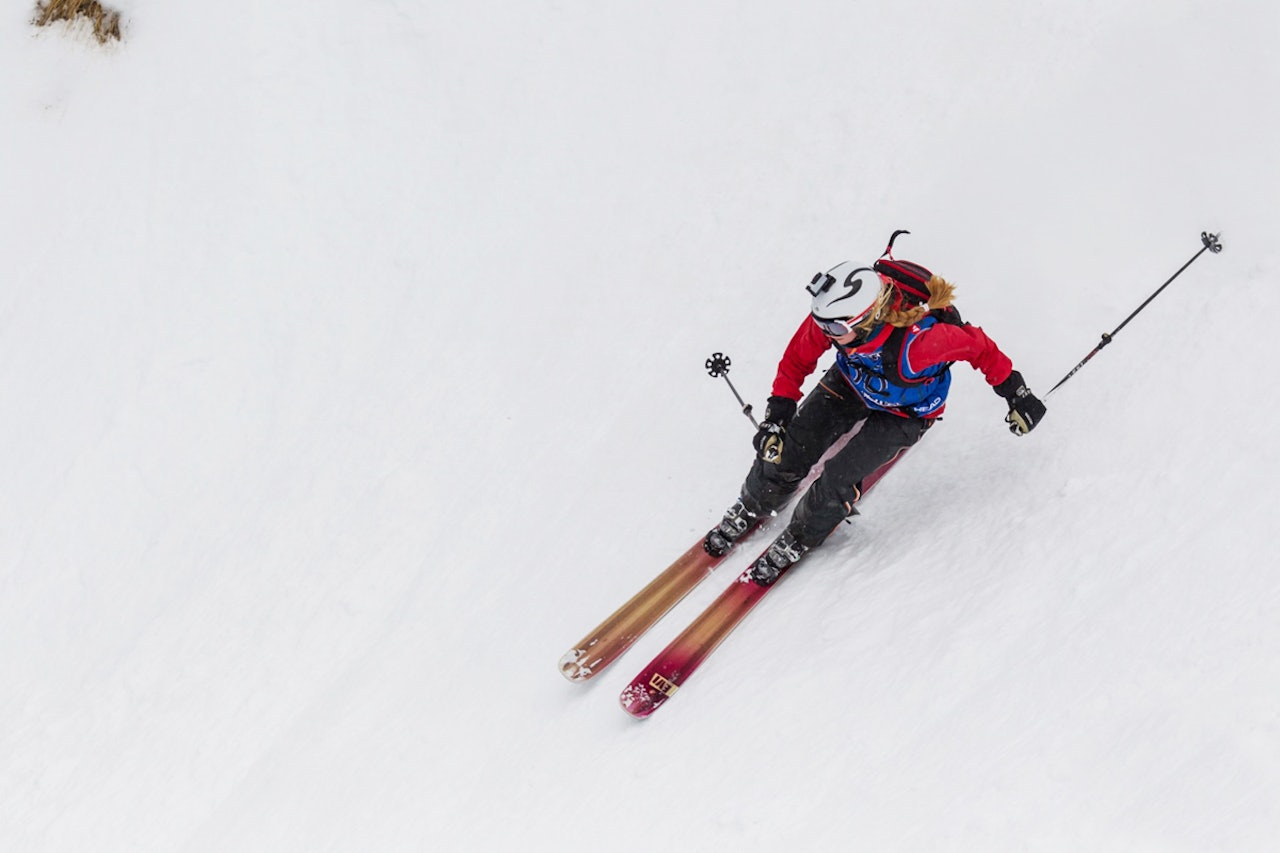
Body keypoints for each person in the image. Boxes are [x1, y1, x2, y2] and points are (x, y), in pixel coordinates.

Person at [704, 235, 1047, 586]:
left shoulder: (921, 346)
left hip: (905, 411)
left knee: (838, 477)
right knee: (789, 450)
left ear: (865, 321)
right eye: (824, 324)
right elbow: (797, 359)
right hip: (851, 383)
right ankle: (754, 502)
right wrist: (778, 415)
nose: (825, 332)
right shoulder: (834, 322)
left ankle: (802, 534)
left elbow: (979, 348)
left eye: (834, 328)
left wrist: (1017, 394)